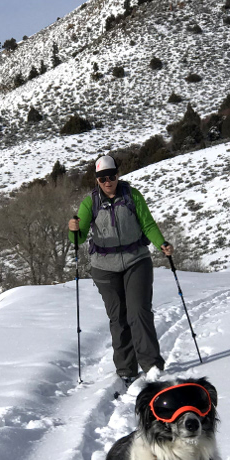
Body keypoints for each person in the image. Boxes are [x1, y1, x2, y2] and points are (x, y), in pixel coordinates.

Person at [69, 154, 174, 388]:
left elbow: (147, 224)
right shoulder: (90, 203)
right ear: (97, 180)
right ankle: (126, 369)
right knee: (119, 318)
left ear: (118, 175)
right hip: (104, 268)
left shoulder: (132, 196)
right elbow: (80, 235)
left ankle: (152, 366)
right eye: (102, 178)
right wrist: (73, 228)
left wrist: (162, 244)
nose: (108, 181)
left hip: (137, 260)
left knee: (139, 312)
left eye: (112, 176)